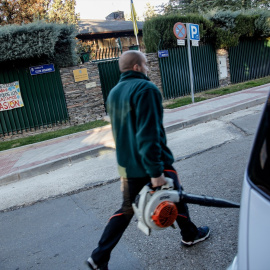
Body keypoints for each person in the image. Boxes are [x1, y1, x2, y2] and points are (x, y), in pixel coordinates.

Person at [86, 50, 210, 270]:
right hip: (152, 162)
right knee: (176, 195)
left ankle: (98, 257)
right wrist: (155, 172)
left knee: (127, 209)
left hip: (127, 164)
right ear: (137, 67)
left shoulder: (114, 92)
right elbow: (148, 133)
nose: (148, 68)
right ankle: (190, 235)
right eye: (146, 64)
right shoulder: (146, 89)